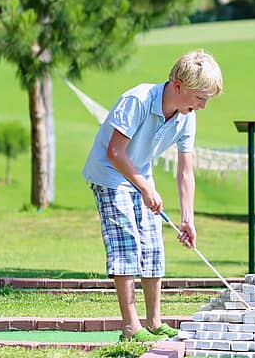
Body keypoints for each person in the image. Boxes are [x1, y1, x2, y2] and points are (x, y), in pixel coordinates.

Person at [83, 50, 223, 342]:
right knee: (127, 243)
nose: (203, 105)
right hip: (109, 173)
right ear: (178, 85)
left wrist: (188, 220)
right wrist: (145, 188)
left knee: (152, 244)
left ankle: (154, 322)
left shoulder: (187, 117)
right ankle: (131, 328)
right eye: (200, 98)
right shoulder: (138, 100)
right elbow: (114, 151)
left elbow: (185, 171)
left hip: (139, 173)